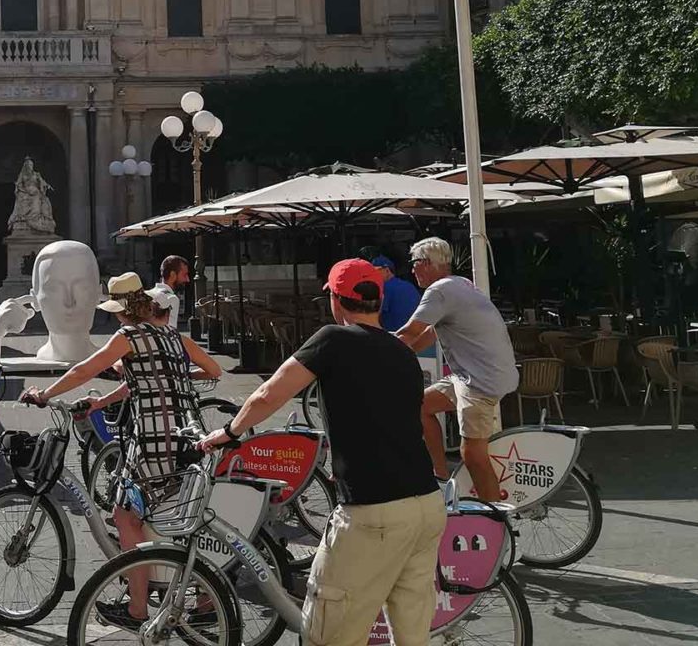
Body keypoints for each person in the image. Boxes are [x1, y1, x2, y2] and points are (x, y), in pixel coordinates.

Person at [201, 258, 444, 646]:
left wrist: (228, 431)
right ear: (378, 300)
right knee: (412, 634)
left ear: (336, 299)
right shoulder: (401, 351)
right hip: (426, 505)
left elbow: (269, 394)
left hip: (373, 511)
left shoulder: (334, 338)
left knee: (327, 635)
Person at [24, 277, 221, 629]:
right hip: (187, 437)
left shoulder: (128, 337)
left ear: (122, 311)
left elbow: (82, 370)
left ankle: (138, 608)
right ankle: (205, 597)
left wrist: (44, 394)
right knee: (174, 516)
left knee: (124, 515)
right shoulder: (177, 338)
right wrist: (165, 377)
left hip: (152, 439)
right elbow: (214, 370)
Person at [396, 237, 518, 503]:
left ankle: (495, 518)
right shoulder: (461, 284)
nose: (412, 269)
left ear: (426, 263)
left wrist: (371, 352)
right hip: (475, 374)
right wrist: (403, 354)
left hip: (479, 380)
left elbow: (410, 331)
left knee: (472, 454)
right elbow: (429, 333)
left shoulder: (439, 290)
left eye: (414, 263)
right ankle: (439, 474)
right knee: (422, 405)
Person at [371, 255, 423, 334]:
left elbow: (374, 316)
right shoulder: (410, 286)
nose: (372, 275)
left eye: (375, 271)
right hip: (416, 336)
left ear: (387, 271)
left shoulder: (384, 288)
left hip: (395, 338)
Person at [151, 255, 189, 326]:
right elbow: (171, 332)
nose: (187, 279)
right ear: (173, 275)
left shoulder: (148, 294)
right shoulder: (172, 299)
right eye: (184, 275)